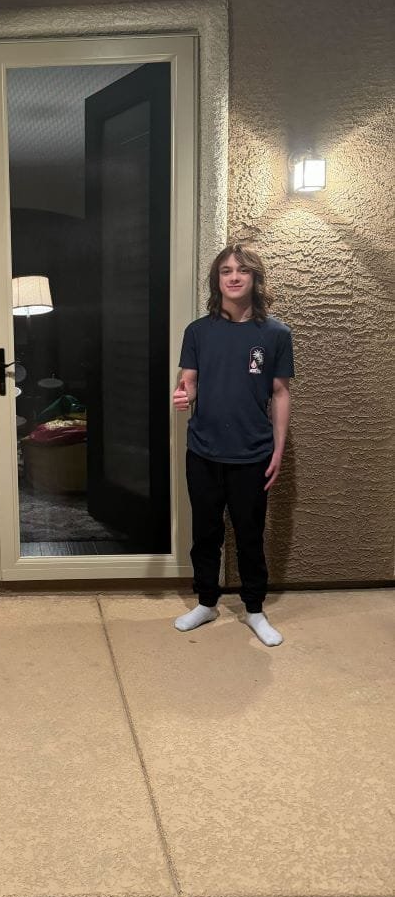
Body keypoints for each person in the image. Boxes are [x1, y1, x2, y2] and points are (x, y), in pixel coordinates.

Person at [172, 244, 294, 646]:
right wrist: (183, 395)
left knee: (249, 535)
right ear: (217, 280)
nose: (234, 277)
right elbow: (188, 382)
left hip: (253, 453)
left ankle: (254, 610)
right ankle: (206, 603)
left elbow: (280, 393)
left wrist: (278, 450)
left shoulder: (275, 334)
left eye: (242, 270)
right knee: (205, 533)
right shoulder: (198, 331)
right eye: (226, 271)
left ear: (255, 278)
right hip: (203, 451)